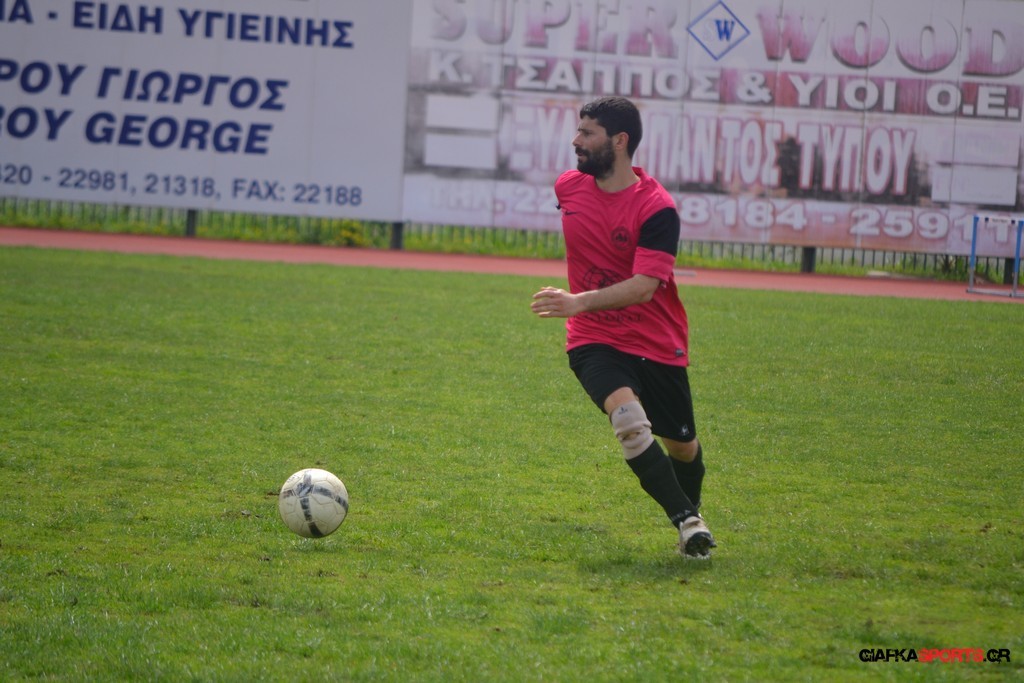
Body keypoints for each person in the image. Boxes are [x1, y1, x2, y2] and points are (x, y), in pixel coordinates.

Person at [530, 96, 716, 559]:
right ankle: (688, 523)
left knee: (683, 447)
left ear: (619, 141)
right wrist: (581, 311)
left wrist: (577, 301)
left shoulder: (657, 208)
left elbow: (645, 287)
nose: (575, 140)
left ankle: (691, 514)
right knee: (630, 424)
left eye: (587, 132)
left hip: (657, 340)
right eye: (578, 130)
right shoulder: (568, 187)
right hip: (594, 339)